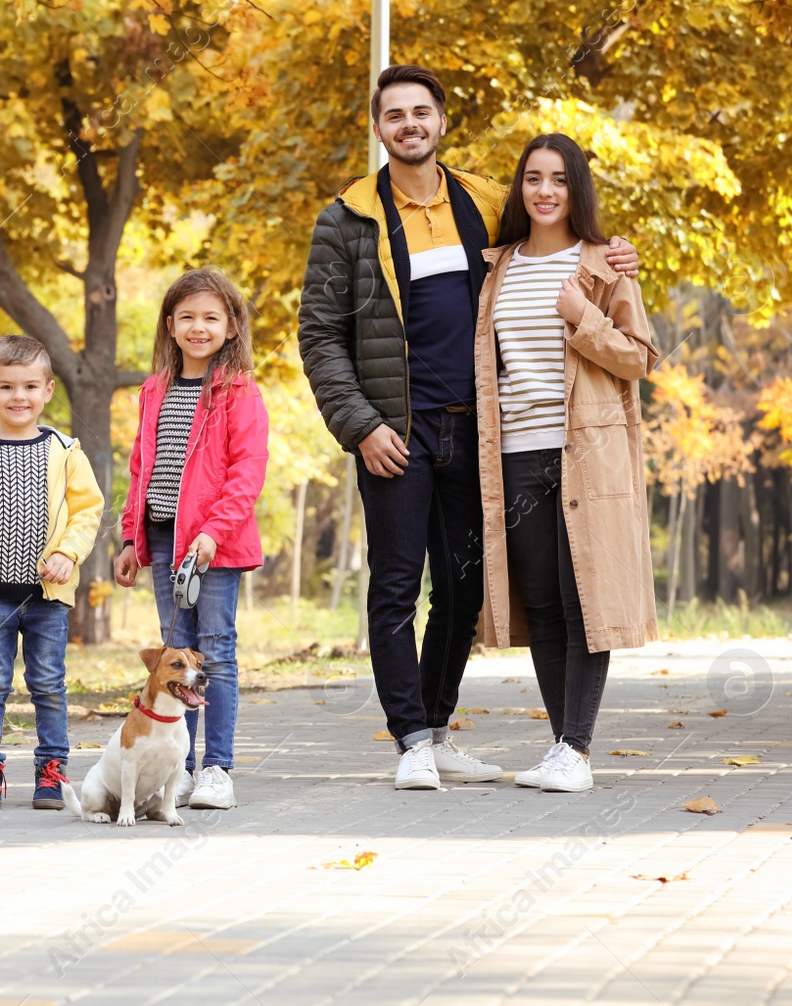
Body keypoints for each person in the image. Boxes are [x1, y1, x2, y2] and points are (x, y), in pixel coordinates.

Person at [297, 64, 641, 791]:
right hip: (394, 431)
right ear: (379, 126)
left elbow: (551, 250)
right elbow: (320, 337)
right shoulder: (347, 219)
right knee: (396, 586)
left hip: (479, 434)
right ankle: (410, 740)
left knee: (463, 589)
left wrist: (615, 254)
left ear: (442, 121)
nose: (409, 124)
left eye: (421, 111)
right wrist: (360, 425)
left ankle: (438, 726)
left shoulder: (485, 203)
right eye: (395, 115)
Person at [473, 133, 660, 792]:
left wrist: (584, 316)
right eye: (532, 178)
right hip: (517, 456)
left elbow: (639, 357)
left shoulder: (604, 265)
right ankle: (562, 747)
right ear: (520, 188)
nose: (544, 190)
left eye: (557, 179)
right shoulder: (496, 266)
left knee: (587, 602)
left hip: (587, 454)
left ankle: (576, 750)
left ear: (575, 188)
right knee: (545, 605)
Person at [114, 269, 269, 811]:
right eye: (187, 318)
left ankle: (216, 769)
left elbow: (247, 471)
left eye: (211, 317)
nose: (198, 327)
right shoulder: (154, 388)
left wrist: (211, 533)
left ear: (231, 326)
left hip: (214, 545)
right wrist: (133, 536)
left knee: (216, 654)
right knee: (173, 656)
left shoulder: (238, 391)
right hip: (163, 540)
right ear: (170, 324)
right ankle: (173, 768)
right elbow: (142, 468)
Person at [0, 334, 105, 810]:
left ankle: (52, 770)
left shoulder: (64, 451)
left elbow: (87, 512)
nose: (19, 397)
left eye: (30, 386)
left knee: (48, 683)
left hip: (46, 597)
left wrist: (68, 554)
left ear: (48, 391)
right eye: (7, 387)